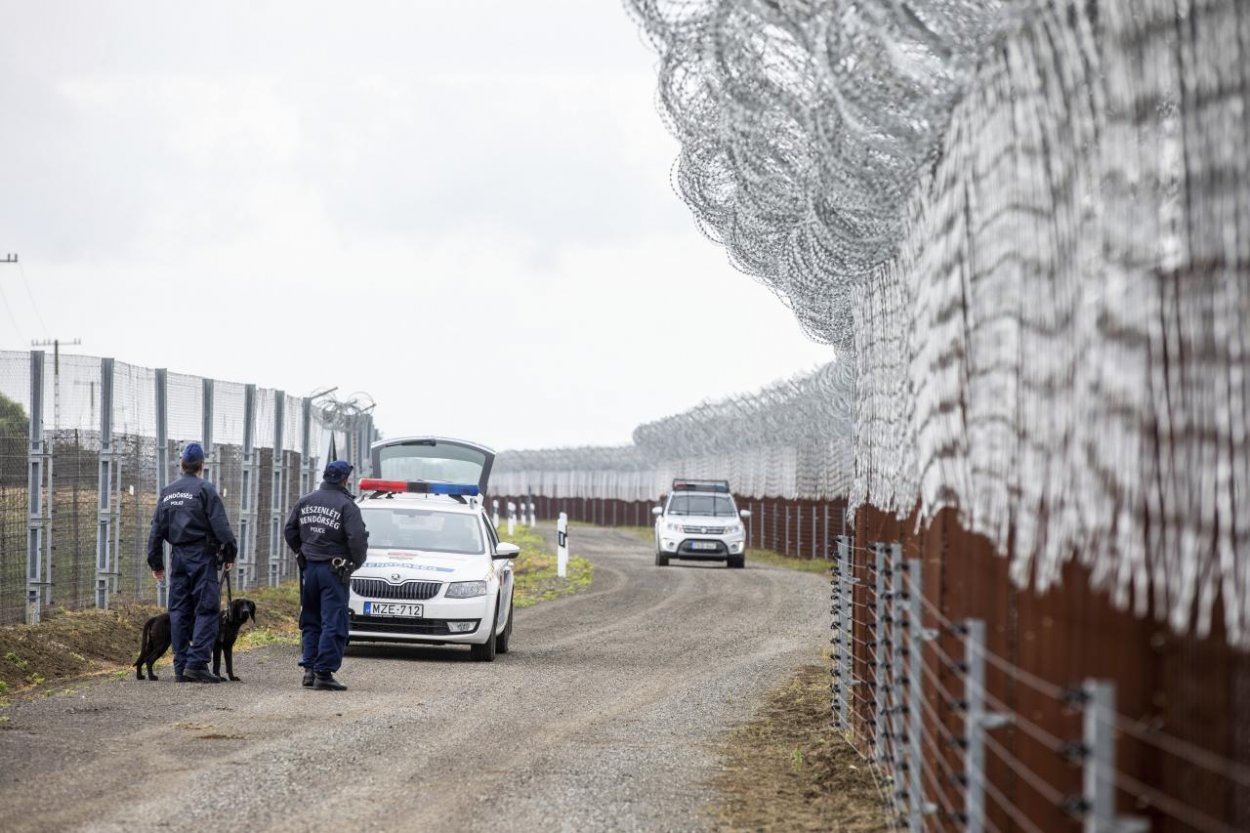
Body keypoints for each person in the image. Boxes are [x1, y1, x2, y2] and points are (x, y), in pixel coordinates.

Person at [147, 442, 238, 684]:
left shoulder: (168, 492)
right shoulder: (205, 490)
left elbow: (156, 530)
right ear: (201, 466)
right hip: (202, 557)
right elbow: (221, 527)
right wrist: (229, 554)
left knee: (179, 610)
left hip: (178, 558)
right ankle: (196, 664)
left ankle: (181, 666)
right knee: (207, 608)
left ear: (182, 465)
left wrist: (156, 563)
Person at [284, 459, 368, 691]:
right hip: (334, 570)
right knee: (333, 620)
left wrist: (302, 552)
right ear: (344, 479)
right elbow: (357, 540)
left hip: (309, 568)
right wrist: (356, 563)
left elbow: (290, 531)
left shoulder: (306, 500)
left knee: (311, 618)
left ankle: (309, 669)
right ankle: (324, 672)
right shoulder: (346, 505)